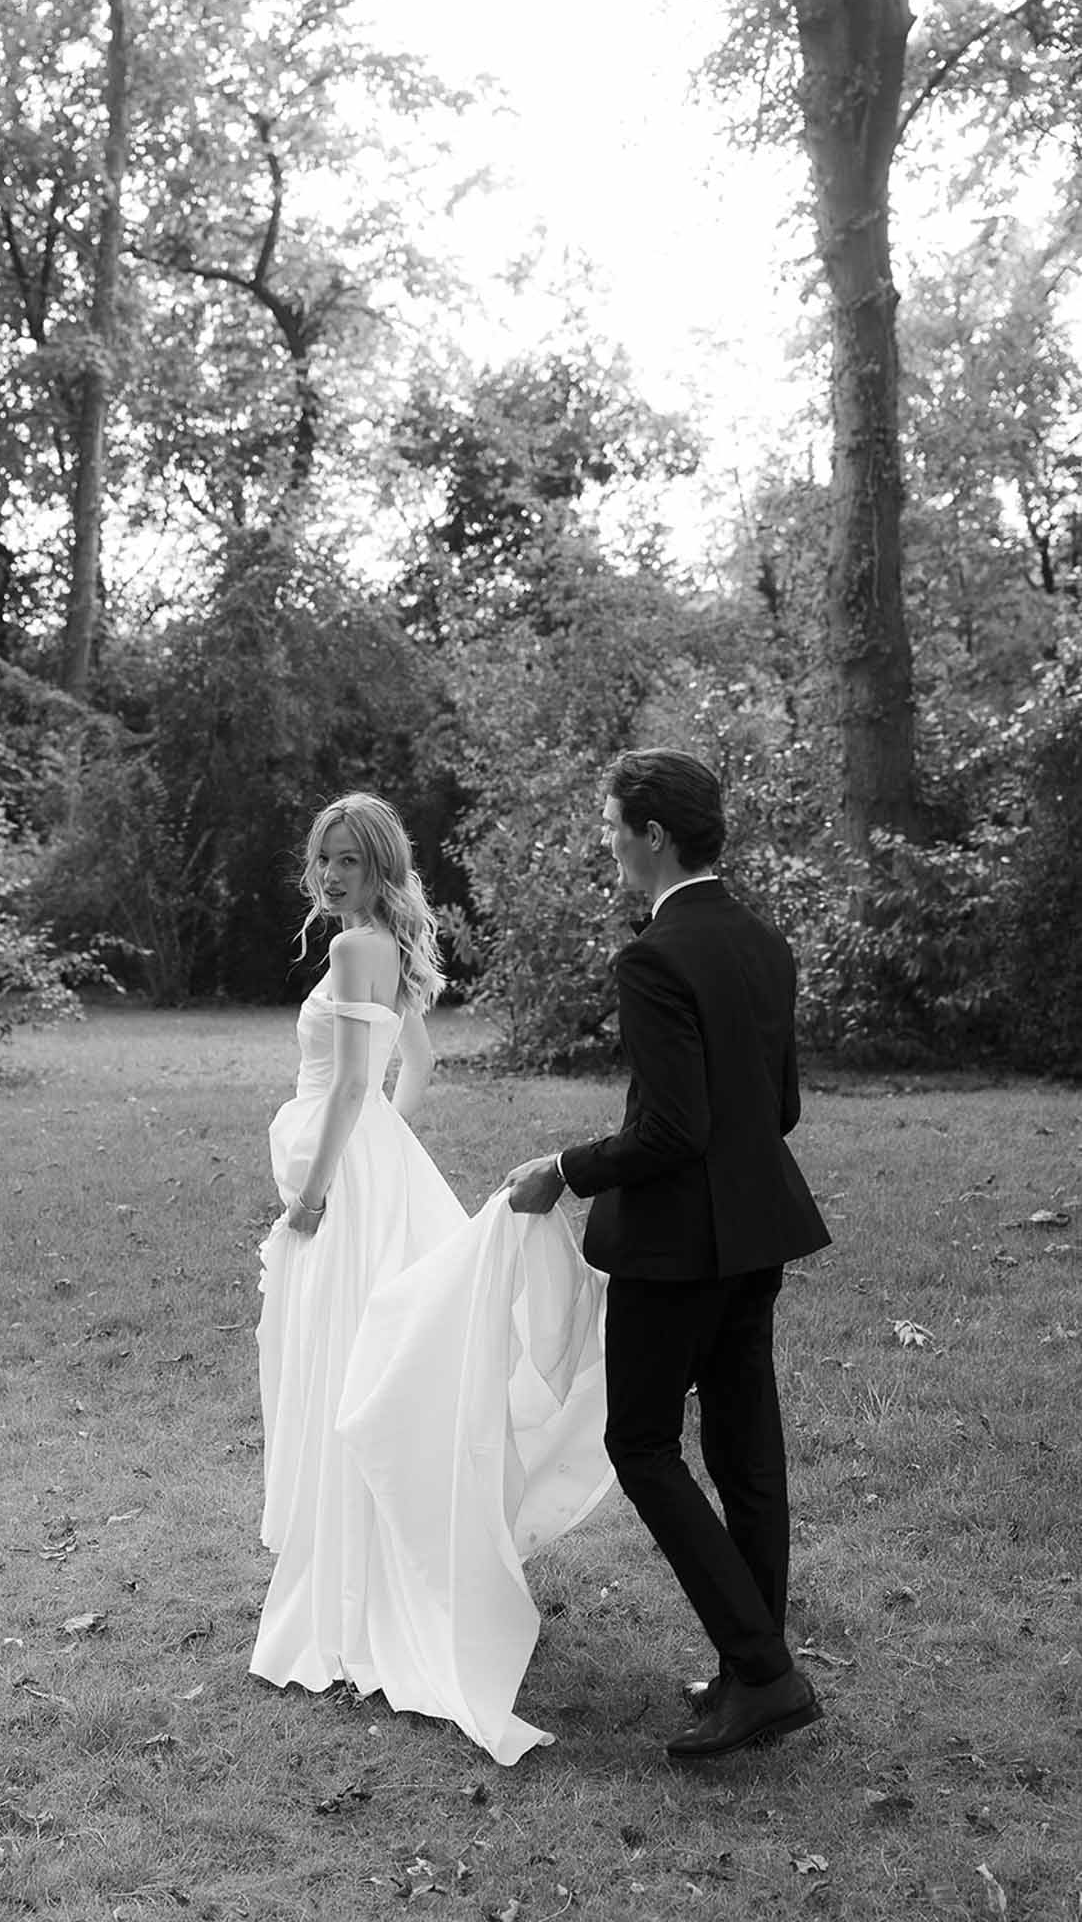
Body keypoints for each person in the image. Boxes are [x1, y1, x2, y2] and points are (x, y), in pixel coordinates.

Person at [252, 792, 613, 1765]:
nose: (330, 875)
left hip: (350, 1186)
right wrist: (384, 1138)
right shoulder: (380, 947)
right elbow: (412, 1064)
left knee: (350, 1365)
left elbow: (351, 1093)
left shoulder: (352, 951)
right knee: (370, 1361)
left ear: (380, 870)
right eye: (322, 857)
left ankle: (355, 1590)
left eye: (350, 862)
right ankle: (359, 1568)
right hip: (378, 1169)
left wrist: (321, 1189)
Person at [504, 749, 832, 1761]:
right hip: (756, 1229)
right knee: (745, 1453)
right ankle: (751, 1671)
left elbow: (669, 1132)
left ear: (652, 835)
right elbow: (775, 1106)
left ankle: (765, 1672)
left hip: (677, 1247)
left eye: (611, 825)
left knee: (641, 1443)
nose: (605, 840)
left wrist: (564, 1163)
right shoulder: (762, 940)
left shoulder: (651, 957)